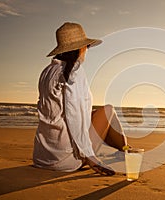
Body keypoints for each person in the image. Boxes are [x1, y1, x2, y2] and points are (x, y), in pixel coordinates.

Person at [33, 22, 129, 176]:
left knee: (96, 113)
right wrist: (90, 157)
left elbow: (65, 111)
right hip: (67, 159)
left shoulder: (47, 72)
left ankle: (125, 149)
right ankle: (126, 149)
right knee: (108, 110)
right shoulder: (73, 72)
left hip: (43, 157)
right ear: (80, 48)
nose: (86, 50)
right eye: (86, 47)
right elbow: (74, 116)